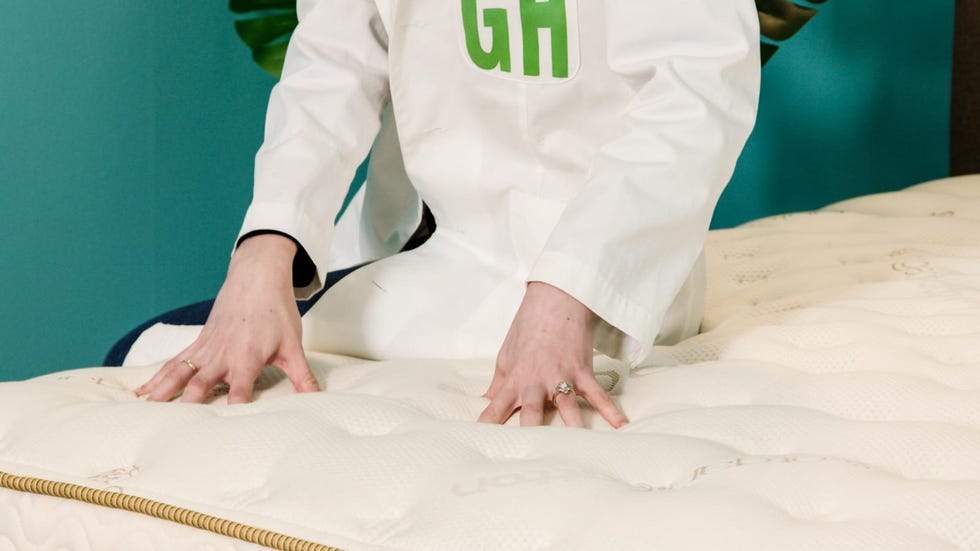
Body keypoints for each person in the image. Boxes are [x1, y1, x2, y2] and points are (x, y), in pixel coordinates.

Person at [135, 0, 761, 429]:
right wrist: (263, 251)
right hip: (420, 237)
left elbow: (698, 90)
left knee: (136, 352)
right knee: (156, 352)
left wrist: (568, 289)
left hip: (586, 280)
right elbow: (333, 61)